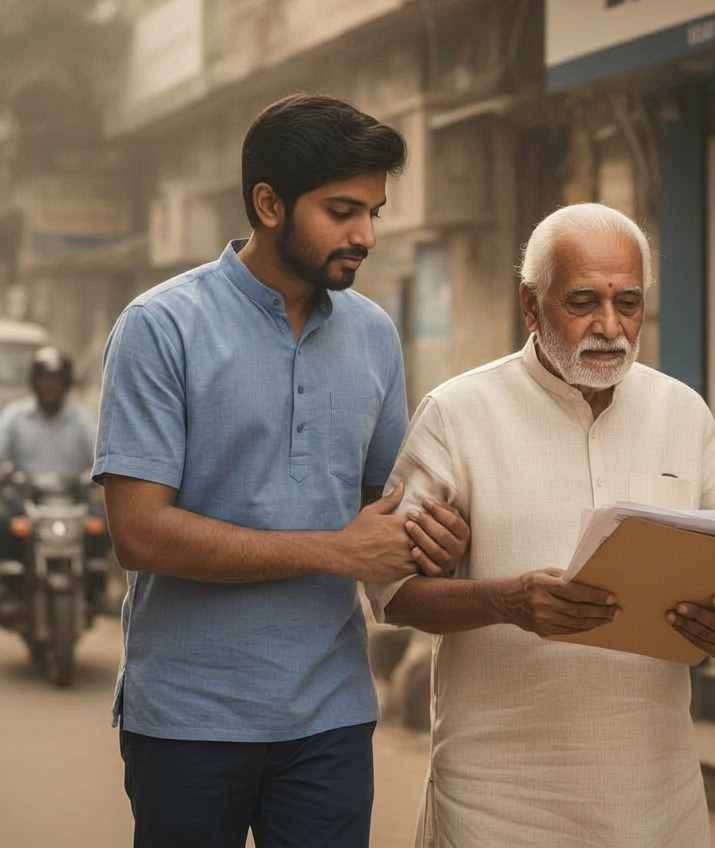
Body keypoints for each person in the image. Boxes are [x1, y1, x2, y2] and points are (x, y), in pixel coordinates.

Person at [93, 94, 470, 848]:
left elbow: (384, 511)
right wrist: (334, 550)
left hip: (330, 712)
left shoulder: (372, 334)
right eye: (342, 211)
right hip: (189, 716)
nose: (365, 235)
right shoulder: (162, 327)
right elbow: (139, 534)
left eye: (374, 211)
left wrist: (443, 533)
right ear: (268, 203)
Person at [366, 203, 715, 848]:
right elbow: (390, 594)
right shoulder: (458, 414)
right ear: (530, 305)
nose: (610, 327)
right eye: (583, 302)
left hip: (656, 798)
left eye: (628, 303)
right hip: (496, 799)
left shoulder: (682, 413)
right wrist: (507, 600)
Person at [0, 346, 95, 481]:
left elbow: (98, 454)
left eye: (56, 379)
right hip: (23, 497)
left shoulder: (83, 419)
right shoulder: (14, 416)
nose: (50, 386)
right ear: (34, 381)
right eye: (44, 379)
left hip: (72, 498)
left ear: (66, 383)